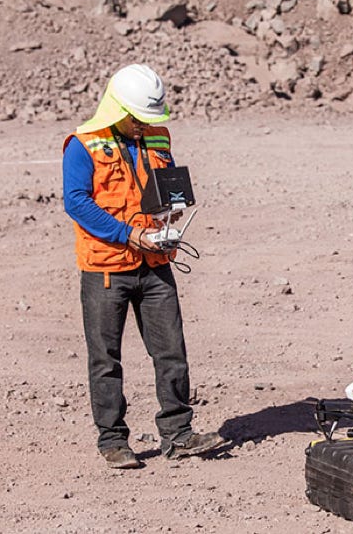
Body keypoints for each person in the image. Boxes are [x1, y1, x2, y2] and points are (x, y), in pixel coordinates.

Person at [62, 63, 224, 469]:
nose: (143, 126)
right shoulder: (83, 145)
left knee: (171, 351)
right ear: (118, 109)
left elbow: (166, 189)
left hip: (155, 263)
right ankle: (113, 440)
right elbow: (76, 202)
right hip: (106, 268)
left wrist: (171, 218)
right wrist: (128, 234)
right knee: (106, 358)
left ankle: (179, 434)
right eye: (138, 118)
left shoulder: (157, 138)